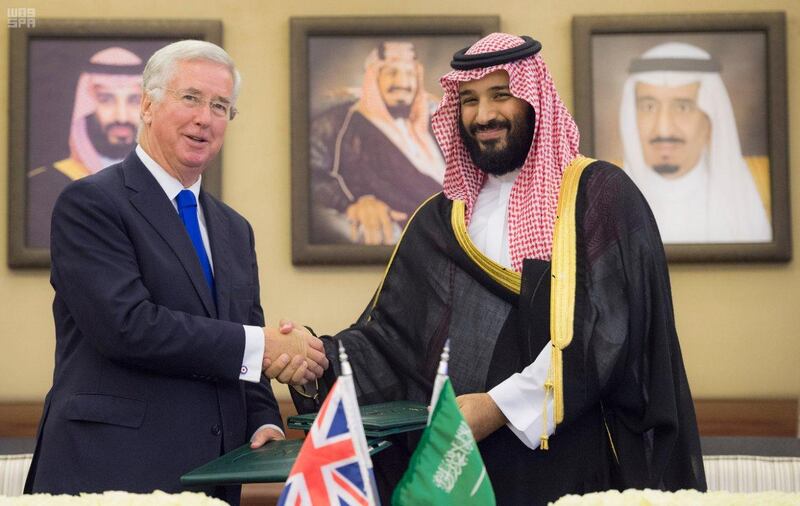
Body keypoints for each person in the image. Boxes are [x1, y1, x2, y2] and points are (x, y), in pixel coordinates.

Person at [288, 33, 706, 505]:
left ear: (534, 98)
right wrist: (315, 360)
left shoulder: (600, 197)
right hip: (462, 475)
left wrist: (498, 407)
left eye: (500, 95)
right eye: (468, 100)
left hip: (578, 465)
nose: (483, 115)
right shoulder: (442, 216)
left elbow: (609, 335)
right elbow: (391, 343)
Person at [24, 40, 327, 504]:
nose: (205, 117)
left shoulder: (233, 229)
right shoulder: (90, 204)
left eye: (221, 105)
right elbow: (127, 327)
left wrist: (263, 418)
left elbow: (242, 337)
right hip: (112, 473)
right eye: (191, 98)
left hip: (215, 476)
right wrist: (266, 344)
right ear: (147, 105)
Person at [620, 42, 771, 244]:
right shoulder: (605, 195)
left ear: (710, 120)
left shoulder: (760, 186)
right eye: (648, 107)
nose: (663, 129)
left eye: (683, 107)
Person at [310, 41, 445, 245]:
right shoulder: (346, 124)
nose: (402, 82)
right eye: (391, 72)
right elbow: (312, 174)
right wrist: (355, 203)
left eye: (410, 74)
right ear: (374, 78)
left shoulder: (437, 123)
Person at [27, 47, 145, 248]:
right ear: (85, 105)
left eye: (134, 100)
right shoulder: (43, 185)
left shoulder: (162, 187)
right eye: (106, 99)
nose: (122, 117)